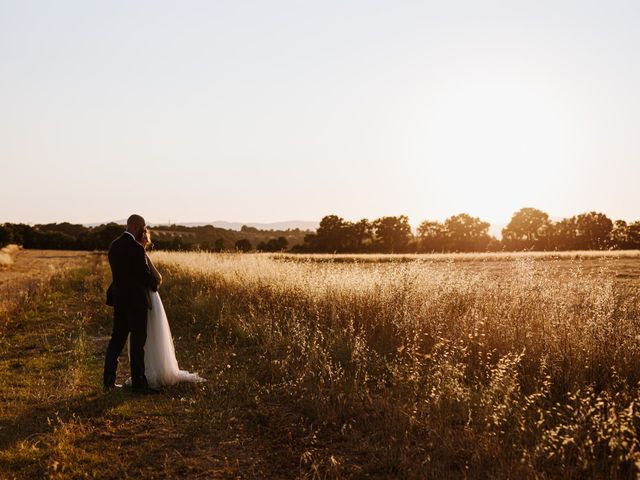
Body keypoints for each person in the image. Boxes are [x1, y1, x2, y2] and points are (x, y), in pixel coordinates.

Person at [124, 227, 206, 388]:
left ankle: (148, 371)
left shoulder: (136, 253)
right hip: (150, 297)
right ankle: (156, 369)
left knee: (146, 335)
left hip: (143, 298)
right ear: (145, 238)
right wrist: (155, 282)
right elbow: (158, 277)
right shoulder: (142, 253)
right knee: (154, 332)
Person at [103, 214, 159, 394]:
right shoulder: (136, 248)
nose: (143, 231)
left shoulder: (113, 246)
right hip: (136, 302)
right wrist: (155, 282)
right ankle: (139, 385)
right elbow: (144, 276)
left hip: (120, 300)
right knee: (137, 342)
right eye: (142, 228)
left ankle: (108, 382)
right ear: (135, 226)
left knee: (116, 341)